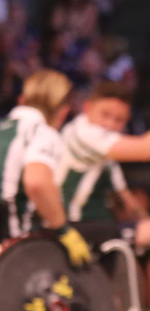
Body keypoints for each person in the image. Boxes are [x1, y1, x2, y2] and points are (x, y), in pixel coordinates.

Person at [56, 80, 150, 311]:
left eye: (119, 120)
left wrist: (147, 219)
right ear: (87, 108)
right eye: (105, 115)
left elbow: (126, 201)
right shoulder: (84, 133)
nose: (110, 124)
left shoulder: (104, 151)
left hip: (100, 227)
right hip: (76, 228)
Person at [0, 68, 91, 267]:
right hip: (11, 248)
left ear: (21, 100)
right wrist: (64, 230)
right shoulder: (42, 133)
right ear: (63, 111)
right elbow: (37, 182)